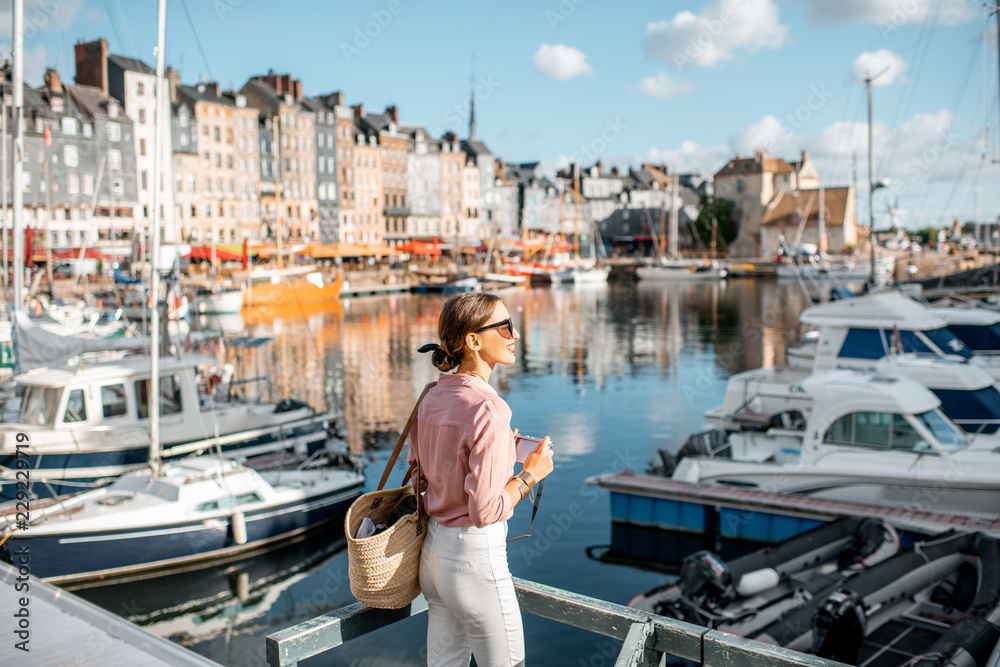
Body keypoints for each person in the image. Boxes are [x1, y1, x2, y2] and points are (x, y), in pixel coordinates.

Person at [412, 293, 554, 666]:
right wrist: (529, 475)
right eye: (505, 327)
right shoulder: (489, 408)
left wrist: (498, 451)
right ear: (473, 340)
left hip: (433, 556)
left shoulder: (431, 394)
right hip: (473, 560)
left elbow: (419, 473)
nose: (516, 335)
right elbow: (485, 510)